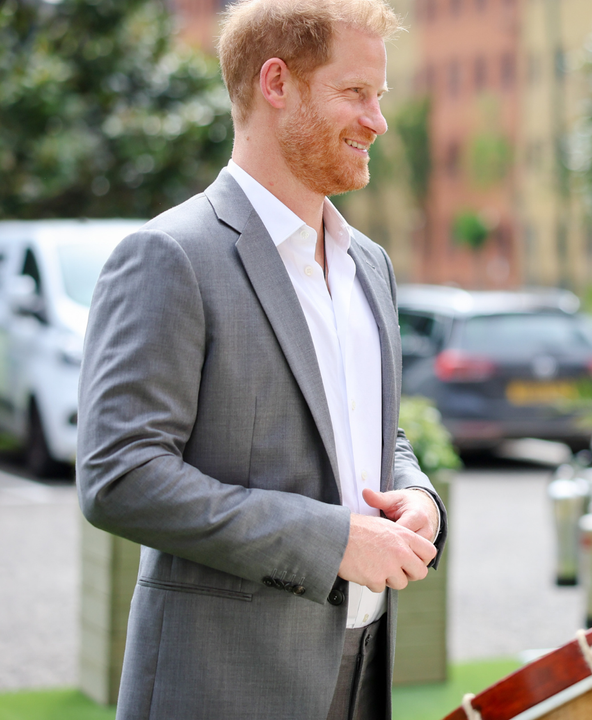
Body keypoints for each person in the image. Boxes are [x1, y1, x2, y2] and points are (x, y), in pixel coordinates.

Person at [76, 1, 446, 718]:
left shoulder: (370, 265)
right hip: (221, 684)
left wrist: (418, 493)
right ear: (277, 83)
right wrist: (333, 539)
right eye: (355, 93)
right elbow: (119, 474)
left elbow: (371, 431)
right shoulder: (170, 256)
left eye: (381, 96)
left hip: (362, 674)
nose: (379, 121)